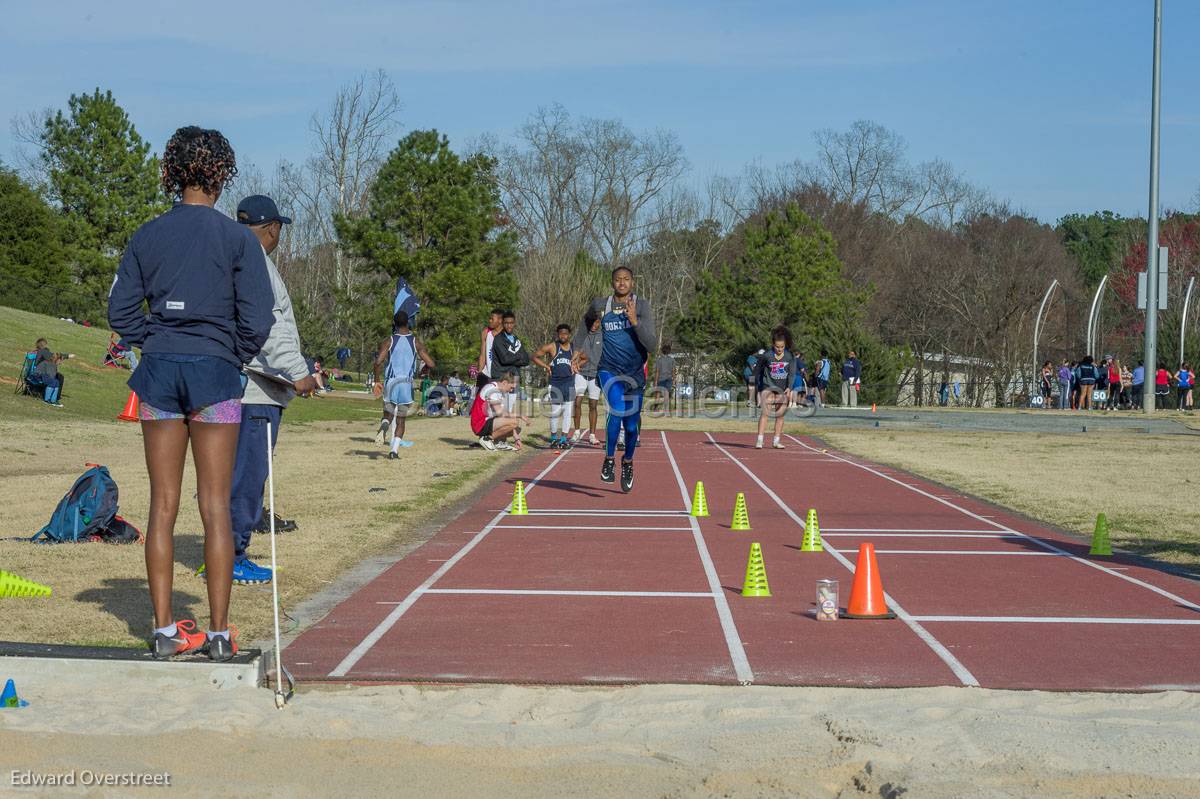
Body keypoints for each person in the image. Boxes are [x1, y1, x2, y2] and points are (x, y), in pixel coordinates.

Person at [108, 126, 274, 662]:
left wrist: (154, 339)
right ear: (221, 176)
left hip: (159, 371)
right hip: (215, 375)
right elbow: (257, 318)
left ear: (171, 173)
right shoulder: (238, 240)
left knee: (162, 505)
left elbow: (119, 311)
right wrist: (230, 351)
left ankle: (162, 632)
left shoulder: (148, 234)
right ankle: (220, 634)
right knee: (215, 507)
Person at [223, 194, 319, 586]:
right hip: (256, 395)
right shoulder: (256, 264)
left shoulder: (232, 260)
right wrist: (299, 372)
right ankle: (233, 555)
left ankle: (225, 551)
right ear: (272, 229)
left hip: (239, 387)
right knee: (247, 476)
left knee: (234, 476)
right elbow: (268, 328)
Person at [582, 266, 656, 492]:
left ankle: (628, 461)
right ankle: (609, 458)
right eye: (617, 279)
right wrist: (579, 348)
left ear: (632, 283)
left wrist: (635, 321)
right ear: (612, 282)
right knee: (615, 410)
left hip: (634, 373)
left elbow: (652, 345)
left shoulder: (642, 306)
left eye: (626, 279)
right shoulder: (600, 305)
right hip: (609, 369)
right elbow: (584, 324)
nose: (622, 283)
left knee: (632, 426)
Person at [372, 310, 435, 458]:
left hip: (391, 381)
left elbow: (378, 362)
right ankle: (394, 451)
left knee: (387, 413)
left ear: (394, 324)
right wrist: (423, 369)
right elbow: (431, 364)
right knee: (401, 419)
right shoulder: (415, 342)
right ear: (408, 323)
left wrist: (377, 380)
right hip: (406, 383)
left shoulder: (389, 340)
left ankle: (385, 424)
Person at [533, 324, 586, 449]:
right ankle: (553, 439)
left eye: (565, 333)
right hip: (556, 383)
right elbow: (534, 356)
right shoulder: (552, 346)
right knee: (555, 412)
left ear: (569, 335)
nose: (563, 336)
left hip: (569, 383)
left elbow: (585, 358)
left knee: (568, 412)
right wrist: (546, 366)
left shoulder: (574, 348)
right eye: (561, 333)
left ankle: (563, 439)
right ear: (557, 334)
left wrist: (577, 365)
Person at [755, 326, 796, 449]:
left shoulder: (789, 357)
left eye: (782, 347)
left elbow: (792, 373)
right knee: (765, 413)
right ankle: (760, 439)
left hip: (782, 388)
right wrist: (758, 388)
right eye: (777, 347)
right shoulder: (767, 356)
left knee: (780, 415)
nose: (779, 349)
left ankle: (776, 441)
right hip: (769, 387)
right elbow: (758, 371)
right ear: (773, 344)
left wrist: (789, 387)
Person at [468, 371, 529, 451]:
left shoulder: (500, 391)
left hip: (487, 421)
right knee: (514, 422)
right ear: (504, 383)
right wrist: (520, 415)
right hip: (480, 424)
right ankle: (487, 439)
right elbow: (500, 413)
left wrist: (517, 439)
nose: (511, 390)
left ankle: (499, 443)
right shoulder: (492, 389)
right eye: (511, 387)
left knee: (517, 429)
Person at [572, 311, 604, 445]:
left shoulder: (604, 336)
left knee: (593, 405)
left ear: (600, 323)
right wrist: (575, 362)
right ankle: (576, 432)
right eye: (592, 322)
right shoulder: (580, 336)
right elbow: (573, 353)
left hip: (595, 374)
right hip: (580, 372)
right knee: (577, 402)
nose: (594, 325)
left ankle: (592, 435)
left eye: (597, 322)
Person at [491, 311, 530, 413]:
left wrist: (514, 358)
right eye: (506, 323)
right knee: (499, 414)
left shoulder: (516, 340)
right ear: (503, 324)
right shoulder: (498, 339)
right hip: (501, 379)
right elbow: (505, 359)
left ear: (514, 323)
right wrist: (518, 356)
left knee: (508, 412)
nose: (509, 325)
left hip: (514, 379)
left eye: (511, 323)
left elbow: (526, 359)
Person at [478, 308, 503, 384]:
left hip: (500, 376)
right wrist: (479, 373)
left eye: (492, 319)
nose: (490, 320)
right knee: (478, 395)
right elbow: (482, 355)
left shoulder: (506, 335)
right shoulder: (486, 332)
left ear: (500, 320)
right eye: (490, 318)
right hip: (485, 374)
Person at [653, 343, 676, 414]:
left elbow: (657, 371)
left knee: (658, 393)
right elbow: (673, 370)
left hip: (661, 378)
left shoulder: (659, 360)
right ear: (669, 351)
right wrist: (674, 379)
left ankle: (656, 407)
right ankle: (666, 409)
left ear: (662, 351)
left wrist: (655, 381)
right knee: (667, 393)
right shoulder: (672, 360)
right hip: (669, 379)